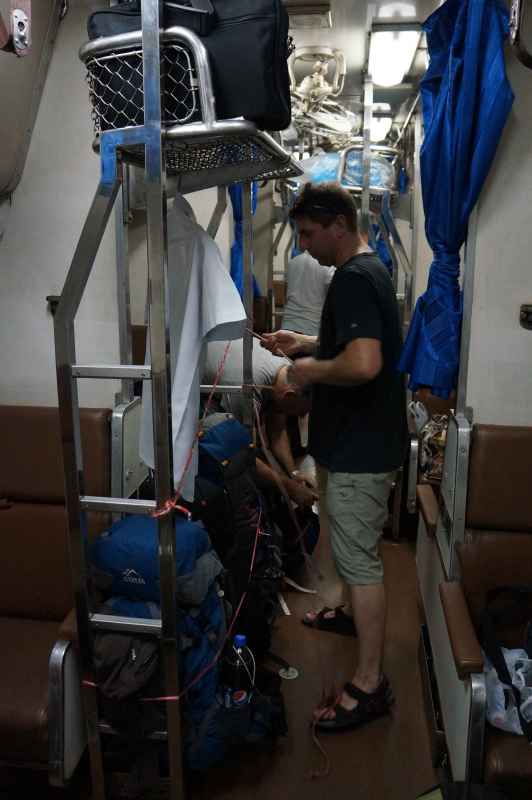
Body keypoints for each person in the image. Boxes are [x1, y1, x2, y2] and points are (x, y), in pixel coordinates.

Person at [262, 181, 407, 733]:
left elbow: (364, 364)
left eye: (308, 234)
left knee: (360, 561)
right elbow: (357, 347)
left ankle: (369, 685)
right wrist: (305, 343)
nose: (303, 246)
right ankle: (346, 614)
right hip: (357, 442)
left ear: (339, 226)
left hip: (358, 451)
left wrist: (307, 371)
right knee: (349, 547)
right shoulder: (369, 271)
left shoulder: (351, 279)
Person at [203, 337, 317, 509]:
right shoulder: (247, 390)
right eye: (302, 411)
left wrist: (294, 474)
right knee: (234, 465)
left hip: (220, 360)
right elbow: (242, 454)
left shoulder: (285, 370)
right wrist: (289, 488)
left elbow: (277, 432)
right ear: (289, 396)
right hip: (185, 381)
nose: (302, 416)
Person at [281, 251, 335, 338]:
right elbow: (332, 301)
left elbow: (285, 294)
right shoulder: (327, 266)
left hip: (288, 325)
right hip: (311, 329)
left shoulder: (293, 262)